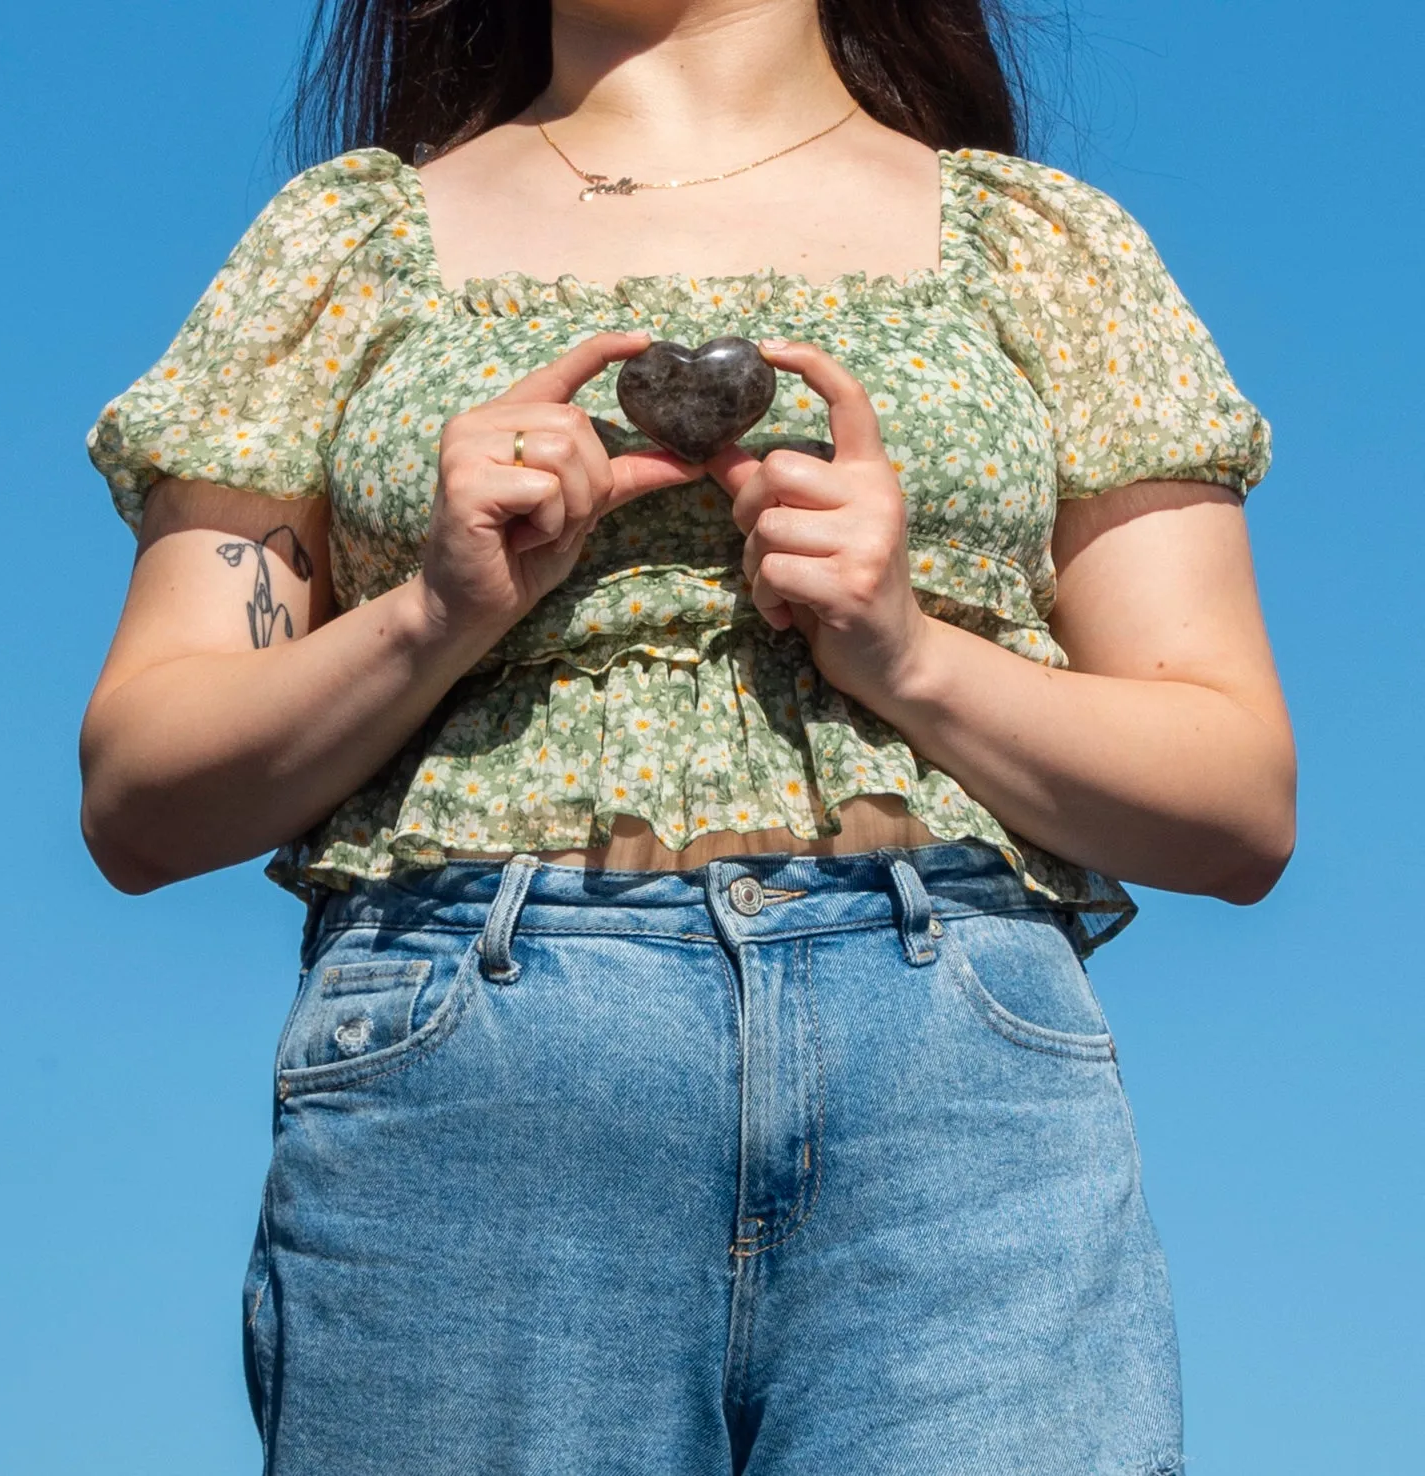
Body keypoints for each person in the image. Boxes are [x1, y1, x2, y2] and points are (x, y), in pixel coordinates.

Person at [79, 0, 1295, 1471]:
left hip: (958, 1099)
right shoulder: (345, 248)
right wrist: (438, 611)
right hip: (483, 1081)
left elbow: (1235, 804)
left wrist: (905, 650)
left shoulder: (1042, 247)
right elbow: (141, 795)